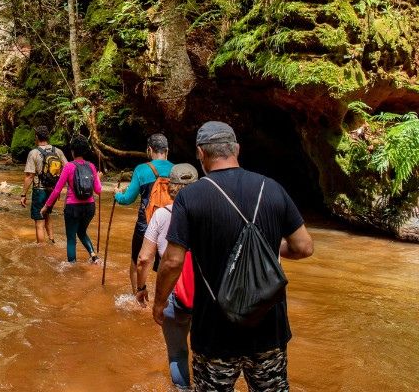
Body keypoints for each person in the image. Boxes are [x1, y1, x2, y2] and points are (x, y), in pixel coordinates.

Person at [152, 121, 314, 392]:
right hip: (268, 329)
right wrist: (270, 248)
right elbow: (304, 247)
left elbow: (172, 261)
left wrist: (159, 303)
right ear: (237, 149)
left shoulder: (190, 197)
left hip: (215, 332)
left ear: (200, 154)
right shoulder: (273, 188)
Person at [135, 163, 199, 391]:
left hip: (176, 292)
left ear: (170, 188)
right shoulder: (211, 212)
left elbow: (144, 258)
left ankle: (182, 388)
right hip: (208, 291)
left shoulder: (161, 215)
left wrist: (141, 288)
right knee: (207, 353)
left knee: (178, 352)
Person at [114, 133, 173, 292]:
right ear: (167, 150)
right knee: (167, 262)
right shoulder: (176, 170)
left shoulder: (141, 169)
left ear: (149, 150)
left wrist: (117, 194)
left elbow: (127, 199)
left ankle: (138, 296)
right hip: (170, 225)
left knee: (136, 262)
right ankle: (164, 298)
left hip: (145, 224)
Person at [41, 134, 102, 263]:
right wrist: (98, 179)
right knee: (81, 231)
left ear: (72, 151)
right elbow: (98, 190)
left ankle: (72, 266)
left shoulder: (69, 166)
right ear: (85, 150)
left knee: (71, 238)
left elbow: (57, 189)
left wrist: (47, 206)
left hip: (73, 208)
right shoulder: (91, 166)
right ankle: (94, 256)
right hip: (90, 207)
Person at [21, 125, 67, 243]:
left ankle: (41, 250)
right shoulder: (57, 151)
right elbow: (67, 169)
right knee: (47, 215)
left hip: (39, 190)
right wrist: (59, 188)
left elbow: (29, 176)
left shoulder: (34, 153)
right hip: (52, 190)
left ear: (37, 137)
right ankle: (52, 240)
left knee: (39, 222)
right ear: (48, 137)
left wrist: (23, 194)